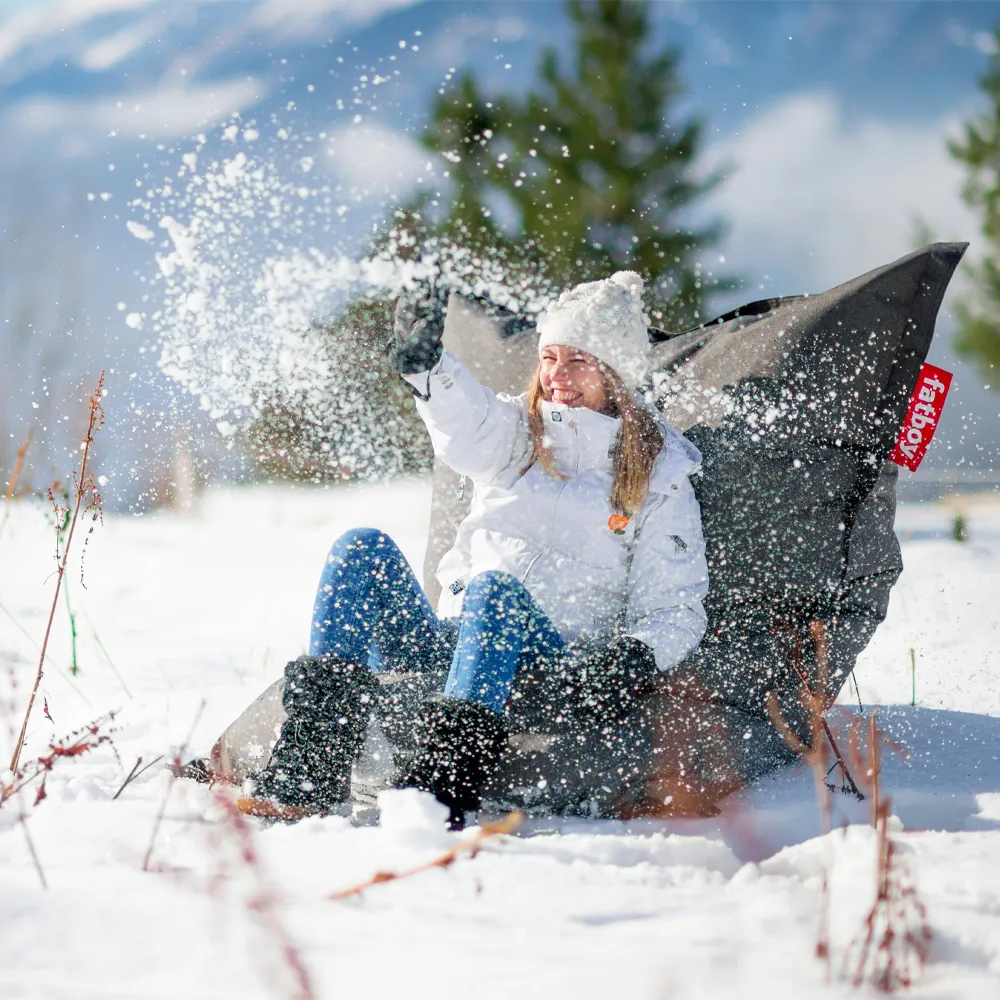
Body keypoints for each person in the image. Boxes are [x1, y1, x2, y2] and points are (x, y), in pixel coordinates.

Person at [246, 271, 710, 828]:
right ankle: (310, 768)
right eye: (549, 357)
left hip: (550, 663)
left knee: (496, 589)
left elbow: (674, 608)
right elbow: (465, 421)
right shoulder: (518, 430)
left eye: (579, 361)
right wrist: (427, 366)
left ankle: (441, 789)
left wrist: (632, 657)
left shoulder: (660, 476)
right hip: (458, 642)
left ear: (615, 373)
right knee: (359, 547)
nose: (557, 376)